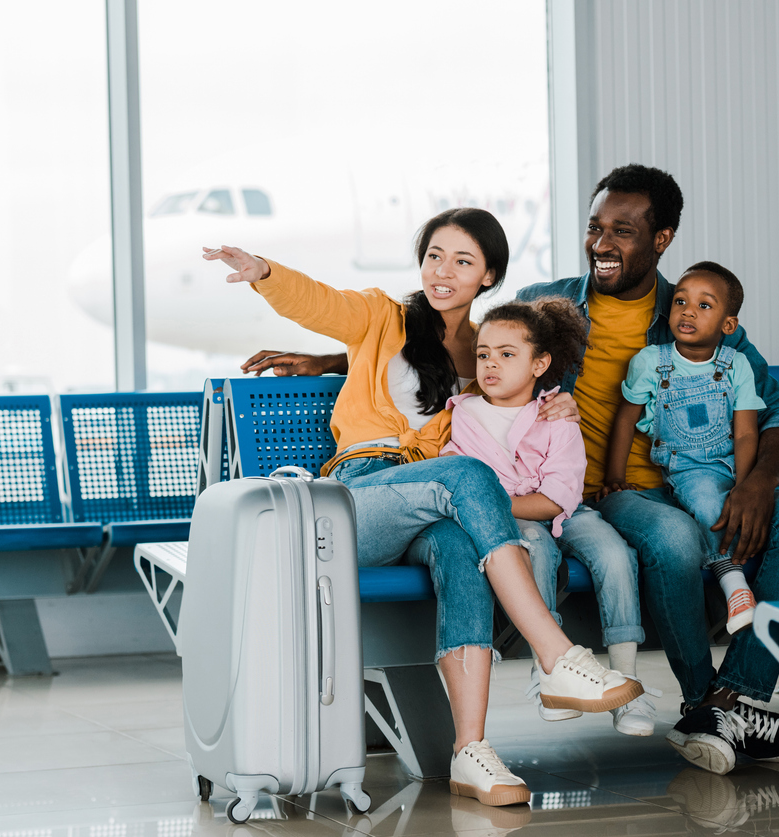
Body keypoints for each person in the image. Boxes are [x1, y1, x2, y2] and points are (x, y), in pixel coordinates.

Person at [252, 166, 779, 777]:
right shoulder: (549, 304)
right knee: (668, 537)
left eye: (624, 231)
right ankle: (585, 665)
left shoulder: (692, 307)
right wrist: (338, 355)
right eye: (595, 228)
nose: (603, 244)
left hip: (682, 474)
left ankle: (729, 699)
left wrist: (758, 482)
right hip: (591, 491)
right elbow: (457, 352)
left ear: (661, 239)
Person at [202, 207, 642, 808]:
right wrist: (264, 272)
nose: (444, 271)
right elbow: (324, 304)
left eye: (463, 261)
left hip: (433, 507)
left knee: (462, 548)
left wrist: (552, 406)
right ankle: (556, 653)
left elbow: (512, 400)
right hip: (360, 496)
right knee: (465, 474)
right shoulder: (383, 316)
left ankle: (470, 753)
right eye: (435, 255)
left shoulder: (484, 352)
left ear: (489, 276)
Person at [441, 298, 662, 737]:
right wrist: (489, 504)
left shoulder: (556, 413)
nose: (491, 365)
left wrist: (489, 502)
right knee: (535, 549)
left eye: (507, 355)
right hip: (518, 520)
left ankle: (625, 678)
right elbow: (460, 476)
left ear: (540, 363)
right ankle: (550, 670)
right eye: (483, 354)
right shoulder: (462, 414)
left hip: (564, 511)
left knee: (616, 554)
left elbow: (557, 497)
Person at [603, 263, 779, 640]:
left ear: (728, 326)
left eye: (705, 306)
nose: (688, 311)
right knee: (707, 505)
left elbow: (747, 431)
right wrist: (614, 477)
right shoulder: (651, 362)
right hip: (691, 466)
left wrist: (748, 482)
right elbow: (625, 419)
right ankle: (735, 589)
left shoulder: (735, 364)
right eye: (681, 301)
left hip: (741, 461)